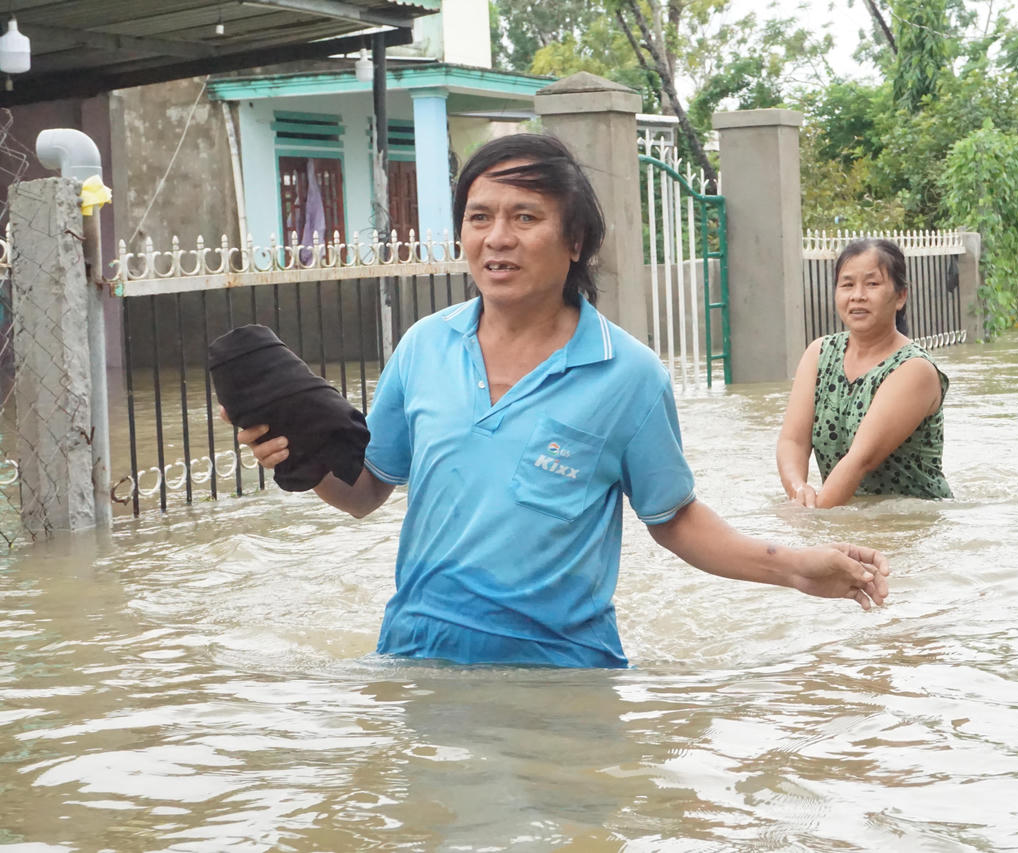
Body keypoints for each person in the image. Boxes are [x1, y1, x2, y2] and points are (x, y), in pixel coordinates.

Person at [234, 133, 889, 668]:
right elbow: (366, 489)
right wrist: (301, 458)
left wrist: (799, 569)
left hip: (562, 682)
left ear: (575, 242)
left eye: (525, 217)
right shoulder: (423, 348)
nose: (497, 237)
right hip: (416, 661)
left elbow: (675, 519)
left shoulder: (627, 375)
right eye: (479, 216)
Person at [777, 238, 952, 507]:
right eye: (847, 284)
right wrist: (798, 491)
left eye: (872, 284)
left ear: (901, 296)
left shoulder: (915, 369)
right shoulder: (819, 353)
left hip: (908, 522)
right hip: (842, 510)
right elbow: (793, 441)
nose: (857, 295)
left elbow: (860, 461)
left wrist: (811, 521)